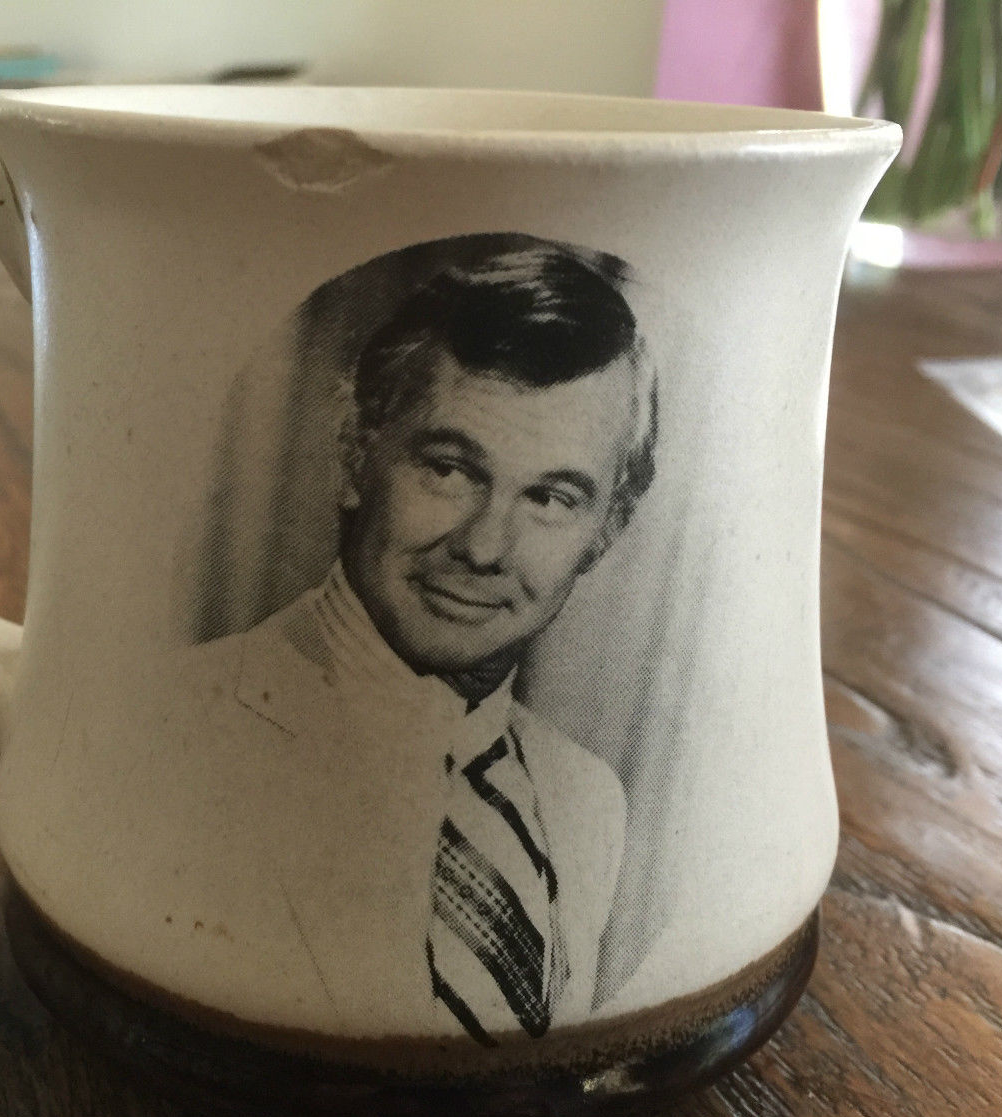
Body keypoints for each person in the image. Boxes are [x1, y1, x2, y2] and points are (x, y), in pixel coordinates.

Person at [161, 244, 659, 1045]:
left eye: (550, 497)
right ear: (357, 456)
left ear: (604, 533)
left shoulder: (588, 799)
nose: (487, 546)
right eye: (451, 469)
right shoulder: (174, 726)